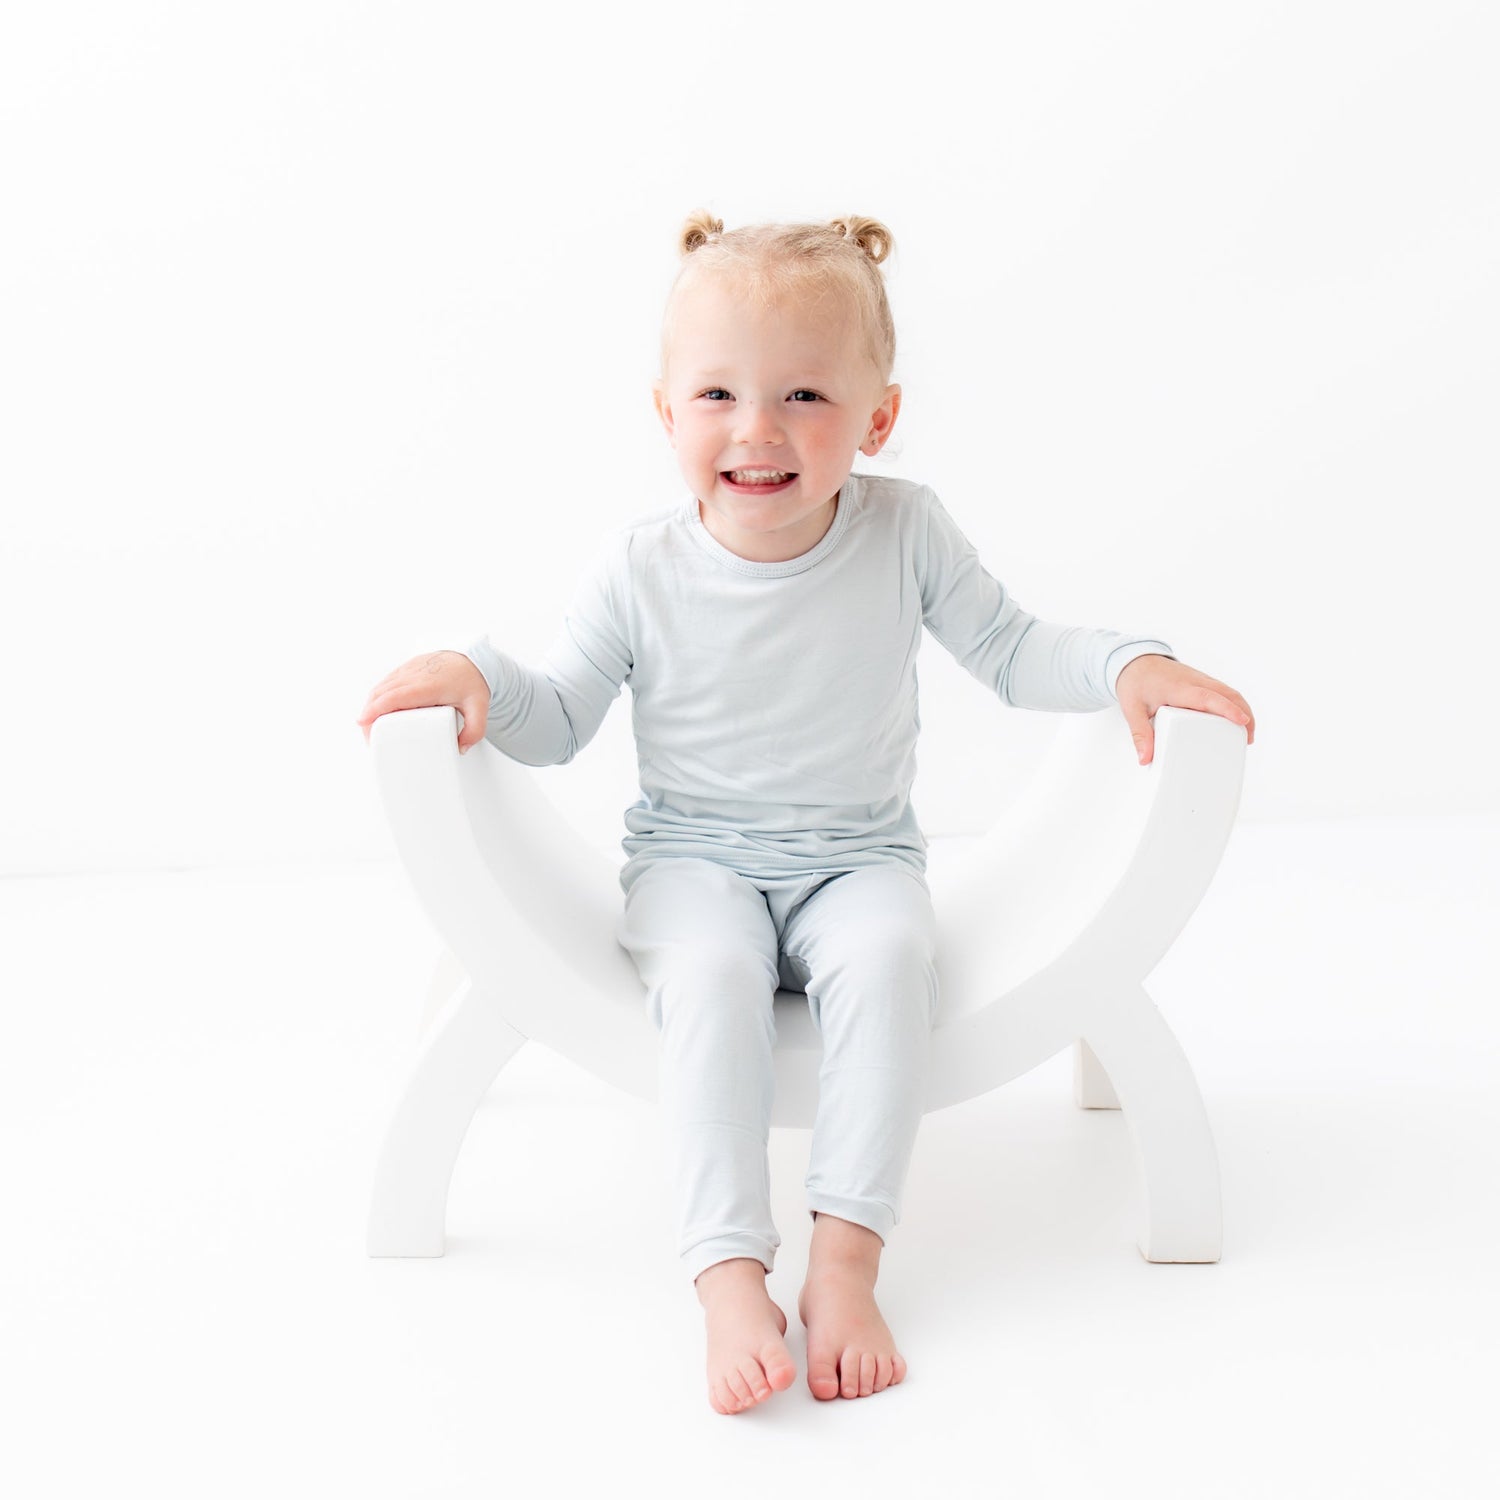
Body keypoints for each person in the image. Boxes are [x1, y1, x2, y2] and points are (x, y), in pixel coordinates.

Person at [356, 212, 1257, 1415]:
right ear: (666, 412)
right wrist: (479, 675)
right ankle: (727, 1274)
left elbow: (1010, 647)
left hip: (857, 861)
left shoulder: (904, 531)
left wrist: (1126, 662)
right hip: (695, 864)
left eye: (804, 396)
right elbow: (560, 713)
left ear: (878, 416)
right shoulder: (640, 566)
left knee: (887, 961)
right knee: (713, 976)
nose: (758, 429)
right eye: (717, 394)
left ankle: (846, 1262)